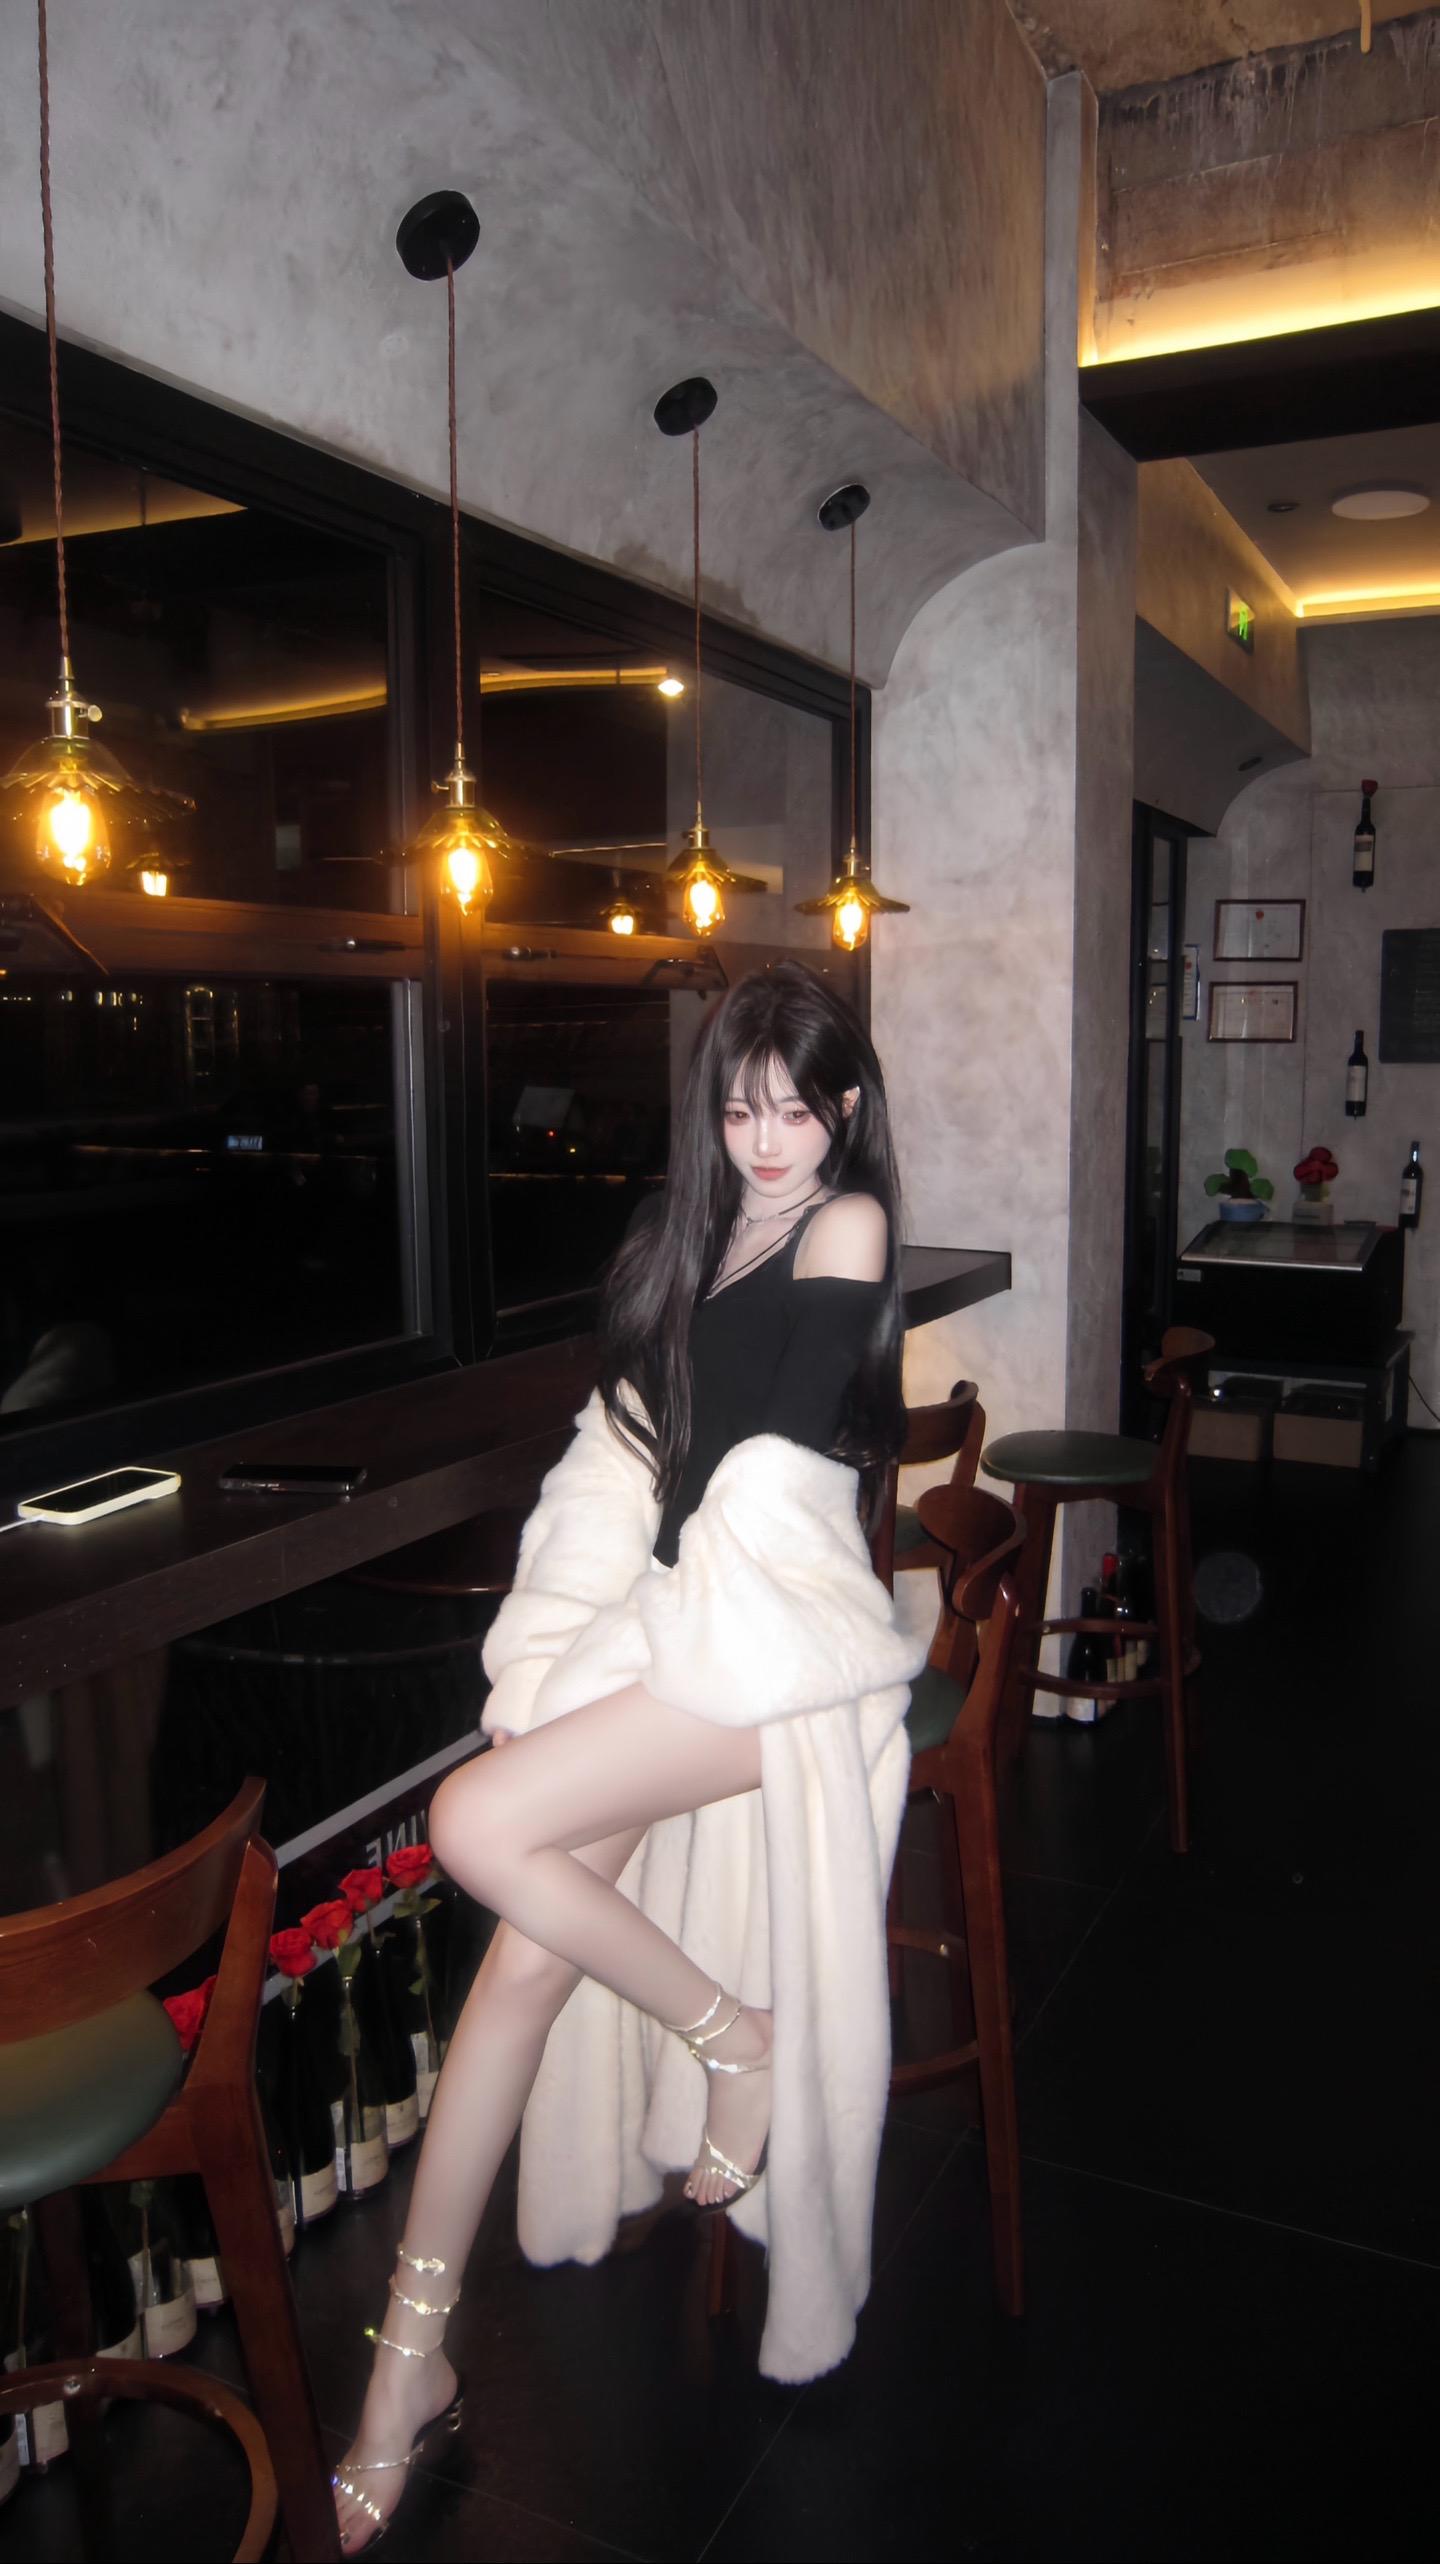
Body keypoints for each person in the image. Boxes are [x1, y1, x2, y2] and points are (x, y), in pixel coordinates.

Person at [333, 960, 924, 2551]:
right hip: (670, 1634)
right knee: (519, 1973)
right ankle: (406, 2368)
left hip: (770, 1646)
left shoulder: (847, 1225)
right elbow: (631, 1452)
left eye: (796, 1109)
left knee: (472, 1820)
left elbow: (770, 1465)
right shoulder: (688, 1235)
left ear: (845, 1107)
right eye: (739, 1112)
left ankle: (735, 2038)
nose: (769, 1141)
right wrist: (574, 1626)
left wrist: (639, 1620)